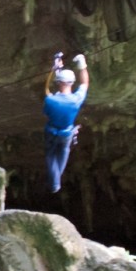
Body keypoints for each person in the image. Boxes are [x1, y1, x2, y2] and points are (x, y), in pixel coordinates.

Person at [43, 50, 89, 192]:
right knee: (64, 151)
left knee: (50, 154)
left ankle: (55, 183)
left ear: (58, 83)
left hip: (51, 131)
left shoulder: (51, 100)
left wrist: (53, 70)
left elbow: (47, 90)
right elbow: (85, 83)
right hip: (66, 133)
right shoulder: (76, 99)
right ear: (72, 83)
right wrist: (82, 64)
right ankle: (56, 182)